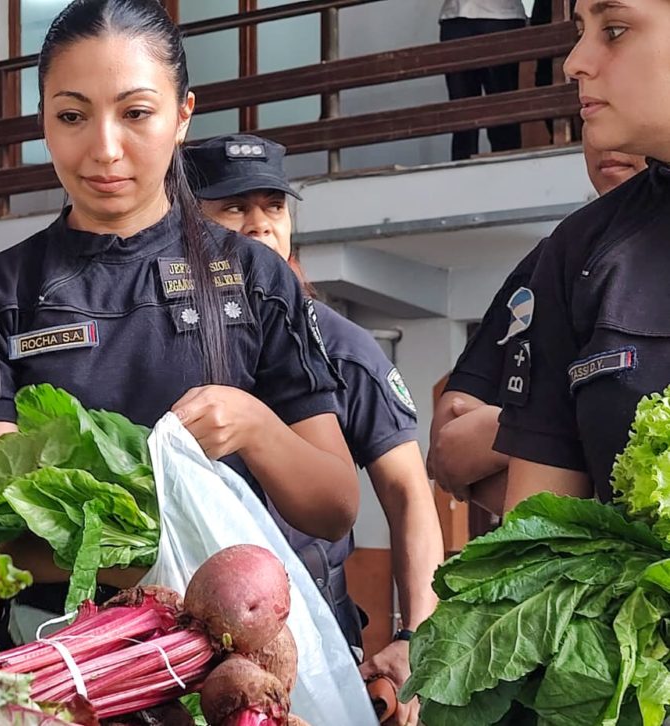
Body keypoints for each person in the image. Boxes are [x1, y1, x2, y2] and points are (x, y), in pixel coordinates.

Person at [0, 0, 359, 645]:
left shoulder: (259, 277)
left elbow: (334, 506)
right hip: (59, 655)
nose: (105, 149)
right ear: (42, 122)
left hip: (233, 650)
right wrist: (169, 561)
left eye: (136, 113)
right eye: (72, 116)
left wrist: (257, 425)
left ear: (183, 115)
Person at [187, 133, 444, 726]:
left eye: (272, 207)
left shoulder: (343, 348)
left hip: (316, 652)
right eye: (233, 208)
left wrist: (416, 639)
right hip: (180, 644)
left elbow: (408, 492)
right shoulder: (165, 339)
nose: (259, 226)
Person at [494, 0, 670, 510]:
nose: (574, 62)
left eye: (613, 30)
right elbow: (537, 548)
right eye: (579, 30)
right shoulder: (579, 251)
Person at [429, 134, 647, 513]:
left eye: (627, 120)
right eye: (590, 119)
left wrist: (516, 434)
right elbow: (449, 447)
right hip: (563, 563)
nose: (607, 141)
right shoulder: (554, 257)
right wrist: (574, 432)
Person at [439, 0, 528, 160]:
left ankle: (508, 167)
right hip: (455, 16)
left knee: (502, 108)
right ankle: (461, 170)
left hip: (501, 16)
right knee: (460, 109)